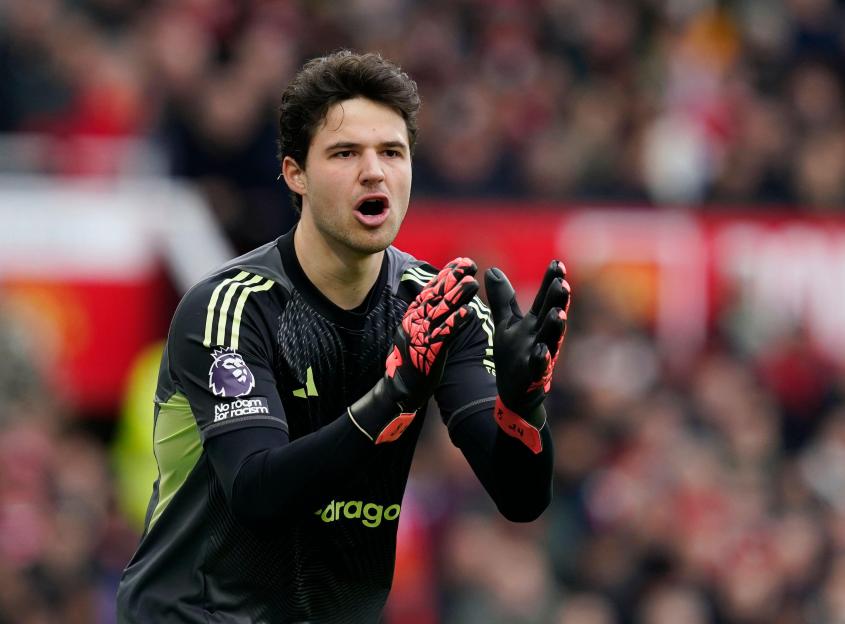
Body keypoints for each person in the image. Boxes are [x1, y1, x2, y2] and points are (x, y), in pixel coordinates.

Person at [116, 50, 571, 623]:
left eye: (391, 152)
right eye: (345, 153)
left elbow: (522, 497)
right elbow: (258, 495)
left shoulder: (439, 307)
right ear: (294, 174)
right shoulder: (231, 308)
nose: (374, 171)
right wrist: (393, 398)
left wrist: (522, 404)